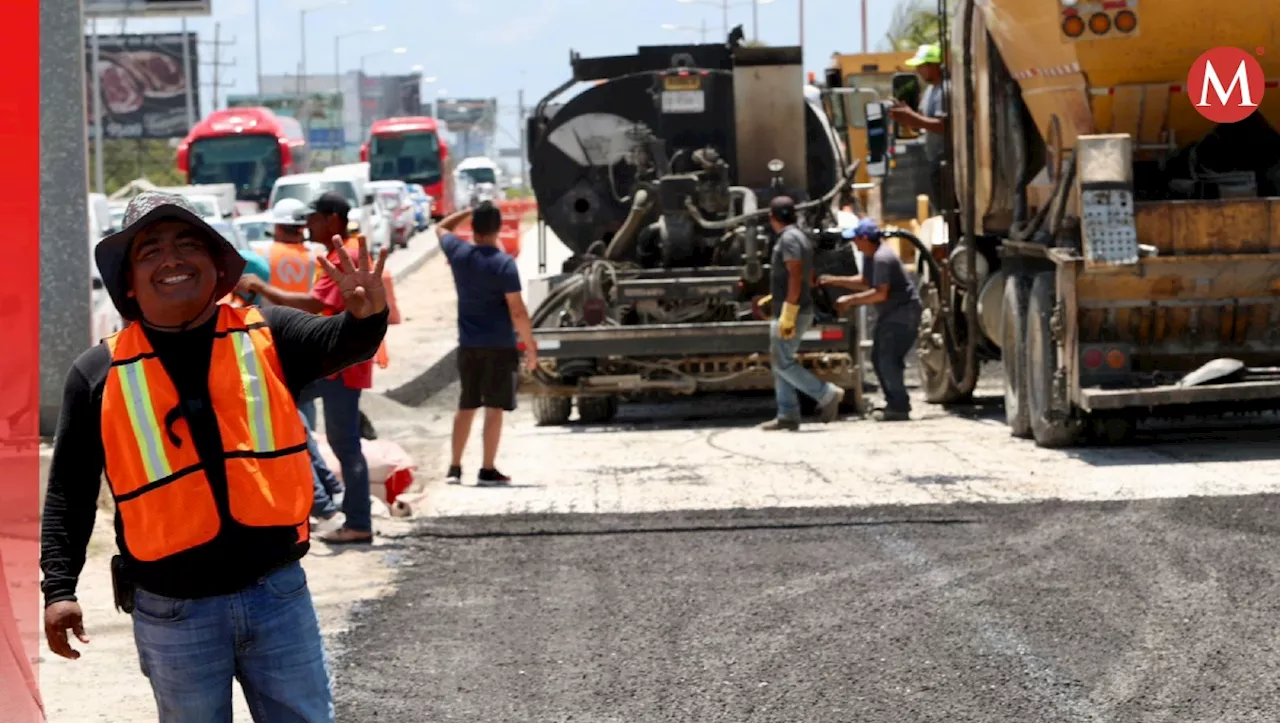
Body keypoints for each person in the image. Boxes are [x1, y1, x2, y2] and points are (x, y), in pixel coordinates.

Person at [41, 190, 389, 720]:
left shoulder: (269, 333)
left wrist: (367, 317)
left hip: (277, 595)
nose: (173, 259)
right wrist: (59, 588)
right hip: (172, 613)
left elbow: (342, 341)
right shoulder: (96, 374)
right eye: (149, 251)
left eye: (188, 243)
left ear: (216, 264)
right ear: (129, 284)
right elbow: (70, 490)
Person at [240, 192, 380, 544]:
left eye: (314, 218)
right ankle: (330, 502)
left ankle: (357, 521)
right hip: (329, 363)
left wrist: (261, 288)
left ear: (332, 219)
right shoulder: (331, 256)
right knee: (293, 414)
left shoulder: (343, 257)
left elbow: (315, 304)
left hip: (341, 367)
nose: (308, 225)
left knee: (345, 444)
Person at [435, 202, 537, 486]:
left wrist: (468, 212)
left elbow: (441, 227)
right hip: (499, 346)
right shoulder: (504, 264)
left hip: (468, 345)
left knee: (466, 405)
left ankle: (454, 468)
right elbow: (517, 310)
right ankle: (487, 469)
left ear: (473, 227)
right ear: (499, 228)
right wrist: (530, 345)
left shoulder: (459, 254)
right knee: (494, 409)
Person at [819, 218, 923, 422]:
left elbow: (880, 293)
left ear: (866, 238)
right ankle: (895, 402)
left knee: (888, 359)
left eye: (856, 239)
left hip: (903, 314)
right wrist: (831, 279)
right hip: (892, 314)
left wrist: (850, 300)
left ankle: (899, 407)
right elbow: (865, 282)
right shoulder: (870, 256)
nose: (854, 243)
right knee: (879, 358)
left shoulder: (882, 258)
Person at [759, 196, 845, 431]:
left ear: (771, 217)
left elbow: (796, 275)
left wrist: (789, 309)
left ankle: (826, 394)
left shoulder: (789, 239)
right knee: (780, 362)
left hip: (793, 311)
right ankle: (787, 414)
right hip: (794, 307)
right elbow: (808, 276)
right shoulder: (799, 237)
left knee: (783, 362)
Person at [888, 43, 949, 214]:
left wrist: (912, 118)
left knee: (947, 211)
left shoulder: (945, 91)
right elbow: (922, 120)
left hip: (946, 162)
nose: (918, 71)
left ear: (933, 66)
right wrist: (905, 116)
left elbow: (943, 125)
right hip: (934, 160)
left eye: (921, 66)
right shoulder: (930, 90)